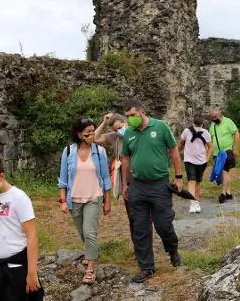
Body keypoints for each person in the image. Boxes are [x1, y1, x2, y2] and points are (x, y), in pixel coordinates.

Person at [120, 98, 183, 283]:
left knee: (163, 224)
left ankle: (172, 250)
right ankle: (147, 267)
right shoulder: (129, 133)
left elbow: (173, 151)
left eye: (132, 115)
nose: (130, 119)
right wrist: (125, 184)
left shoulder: (160, 127)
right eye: (127, 116)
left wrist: (178, 177)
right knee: (139, 229)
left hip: (159, 184)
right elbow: (125, 159)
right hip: (137, 185)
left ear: (142, 112)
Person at [0, 154, 42, 300]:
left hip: (15, 267)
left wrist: (32, 273)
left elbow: (32, 236)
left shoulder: (19, 198)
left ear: (1, 177)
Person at [58, 118, 112, 285]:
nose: (91, 134)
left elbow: (105, 177)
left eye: (93, 131)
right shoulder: (68, 151)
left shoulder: (99, 151)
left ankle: (90, 269)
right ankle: (92, 252)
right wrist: (63, 201)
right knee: (83, 233)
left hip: (94, 197)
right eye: (87, 131)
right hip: (74, 200)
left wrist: (107, 201)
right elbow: (63, 180)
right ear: (79, 133)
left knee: (90, 233)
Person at [94, 113, 152, 249]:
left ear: (125, 122)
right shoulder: (115, 138)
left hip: (144, 180)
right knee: (132, 217)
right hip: (128, 182)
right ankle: (138, 248)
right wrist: (103, 122)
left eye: (120, 127)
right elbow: (94, 138)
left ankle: (147, 248)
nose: (118, 131)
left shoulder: (138, 133)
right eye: (115, 130)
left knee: (146, 218)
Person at [177, 114, 212, 213]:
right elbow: (181, 144)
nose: (197, 126)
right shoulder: (187, 131)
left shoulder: (205, 133)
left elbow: (210, 146)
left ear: (202, 124)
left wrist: (207, 158)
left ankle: (197, 201)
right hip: (189, 160)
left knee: (198, 182)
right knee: (191, 181)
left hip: (201, 161)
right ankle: (192, 203)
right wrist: (176, 154)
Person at [208, 108, 240, 204]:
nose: (214, 119)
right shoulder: (213, 124)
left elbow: (236, 133)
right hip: (216, 153)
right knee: (225, 173)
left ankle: (223, 194)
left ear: (220, 115)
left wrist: (235, 148)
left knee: (224, 172)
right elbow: (209, 137)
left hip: (226, 152)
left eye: (216, 117)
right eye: (212, 117)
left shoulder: (228, 122)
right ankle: (228, 193)